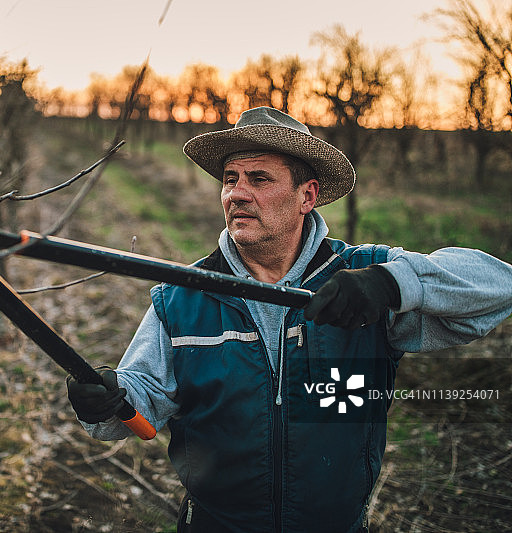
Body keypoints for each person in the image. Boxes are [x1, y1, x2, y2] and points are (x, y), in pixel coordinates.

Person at [66, 107, 512, 532]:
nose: (237, 193)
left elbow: (498, 285)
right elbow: (139, 400)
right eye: (230, 179)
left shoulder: (365, 279)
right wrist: (108, 399)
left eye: (259, 178)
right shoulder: (181, 297)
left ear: (307, 196)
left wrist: (393, 284)